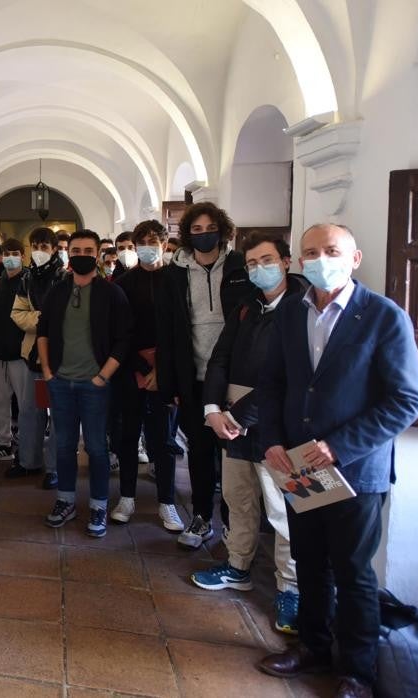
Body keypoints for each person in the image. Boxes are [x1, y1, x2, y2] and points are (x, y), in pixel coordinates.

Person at [255, 224, 418, 698]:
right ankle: (312, 646)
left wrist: (341, 445)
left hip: (354, 469)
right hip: (301, 465)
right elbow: (273, 383)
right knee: (309, 560)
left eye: (331, 251)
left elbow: (406, 400)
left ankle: (356, 671)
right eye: (310, 252)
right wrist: (270, 438)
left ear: (354, 258)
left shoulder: (383, 317)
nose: (320, 259)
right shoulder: (292, 312)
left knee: (352, 571)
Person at [189, 234, 309, 634]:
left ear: (287, 262)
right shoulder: (246, 307)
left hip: (284, 424)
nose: (259, 268)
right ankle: (238, 563)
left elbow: (293, 377)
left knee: (287, 507)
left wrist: (238, 415)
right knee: (237, 495)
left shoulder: (305, 309)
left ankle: (292, 586)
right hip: (232, 415)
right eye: (252, 263)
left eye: (267, 260)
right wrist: (211, 409)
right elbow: (220, 357)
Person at [156, 201, 253, 549]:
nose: (203, 234)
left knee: (233, 454)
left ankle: (233, 524)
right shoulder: (175, 273)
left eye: (209, 228)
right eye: (195, 230)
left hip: (235, 376)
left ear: (222, 230)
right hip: (193, 373)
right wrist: (170, 384)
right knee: (198, 450)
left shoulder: (240, 266)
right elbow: (167, 331)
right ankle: (201, 516)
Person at [39, 230, 132, 537]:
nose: (81, 254)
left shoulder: (111, 292)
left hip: (95, 384)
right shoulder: (58, 290)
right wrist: (49, 372)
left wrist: (103, 376)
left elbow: (123, 340)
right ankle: (65, 500)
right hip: (61, 381)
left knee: (96, 447)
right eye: (75, 249)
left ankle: (99, 504)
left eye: (87, 250)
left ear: (97, 254)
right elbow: (44, 332)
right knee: (64, 446)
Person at [111, 220, 184, 534]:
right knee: (128, 435)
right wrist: (141, 369)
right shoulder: (124, 283)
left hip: (167, 370)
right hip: (131, 369)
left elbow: (182, 329)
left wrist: (162, 370)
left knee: (163, 440)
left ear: (165, 244)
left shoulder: (178, 280)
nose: (146, 247)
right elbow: (120, 332)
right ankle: (126, 497)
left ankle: (166, 501)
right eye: (141, 241)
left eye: (153, 240)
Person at [11, 227, 64, 489]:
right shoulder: (27, 277)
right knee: (31, 410)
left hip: (62, 358)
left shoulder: (66, 276)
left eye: (45, 246)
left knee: (60, 416)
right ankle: (28, 461)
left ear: (54, 249)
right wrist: (42, 319)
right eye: (36, 246)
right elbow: (17, 312)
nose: (40, 251)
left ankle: (55, 467)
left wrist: (53, 323)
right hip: (32, 355)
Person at [0, 238, 30, 468]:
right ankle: (4, 443)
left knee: (25, 403)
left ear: (22, 255)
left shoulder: (30, 281)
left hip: (21, 354)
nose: (11, 257)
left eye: (15, 253)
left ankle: (27, 446)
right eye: (7, 253)